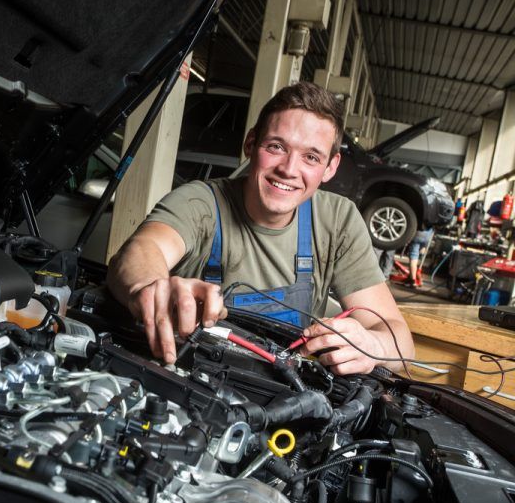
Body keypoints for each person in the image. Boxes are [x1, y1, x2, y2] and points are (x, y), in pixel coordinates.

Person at [107, 82, 414, 376]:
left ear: (330, 167)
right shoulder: (201, 202)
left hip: (284, 395)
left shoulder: (337, 220)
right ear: (251, 143)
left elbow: (400, 339)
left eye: (310, 157)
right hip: (190, 381)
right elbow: (141, 252)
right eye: (277, 147)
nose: (289, 170)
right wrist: (149, 289)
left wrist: (372, 344)